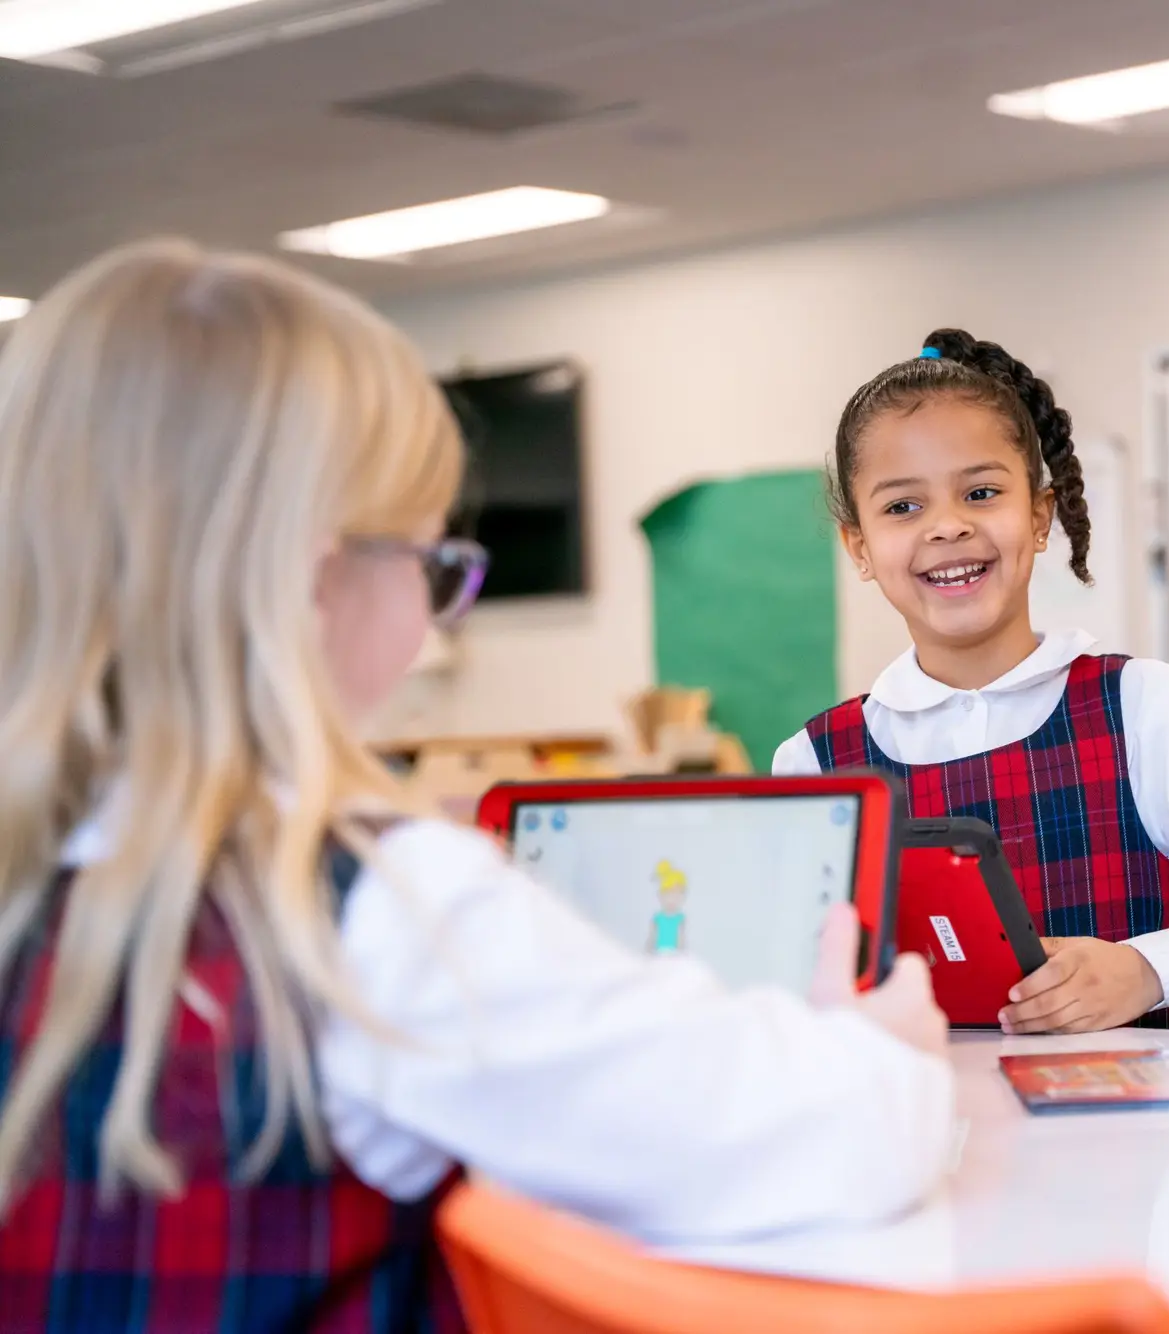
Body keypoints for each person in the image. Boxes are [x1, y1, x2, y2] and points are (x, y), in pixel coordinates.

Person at [0, 239, 952, 1331]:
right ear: (316, 581)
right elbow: (833, 1136)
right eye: (431, 563)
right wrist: (878, 1048)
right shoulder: (379, 912)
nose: (433, 613)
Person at [773, 329, 1169, 1034]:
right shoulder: (815, 763)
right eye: (902, 507)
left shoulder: (1146, 706)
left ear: (1040, 517)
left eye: (981, 492)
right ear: (859, 547)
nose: (948, 527)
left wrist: (1149, 968)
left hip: (1145, 1131)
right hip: (929, 1132)